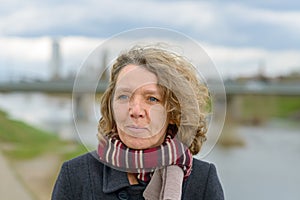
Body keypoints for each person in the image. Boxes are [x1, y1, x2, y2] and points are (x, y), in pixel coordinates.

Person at [52, 45, 224, 200]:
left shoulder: (202, 180)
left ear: (174, 112)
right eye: (124, 96)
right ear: (111, 106)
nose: (135, 110)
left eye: (152, 99)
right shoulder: (75, 176)